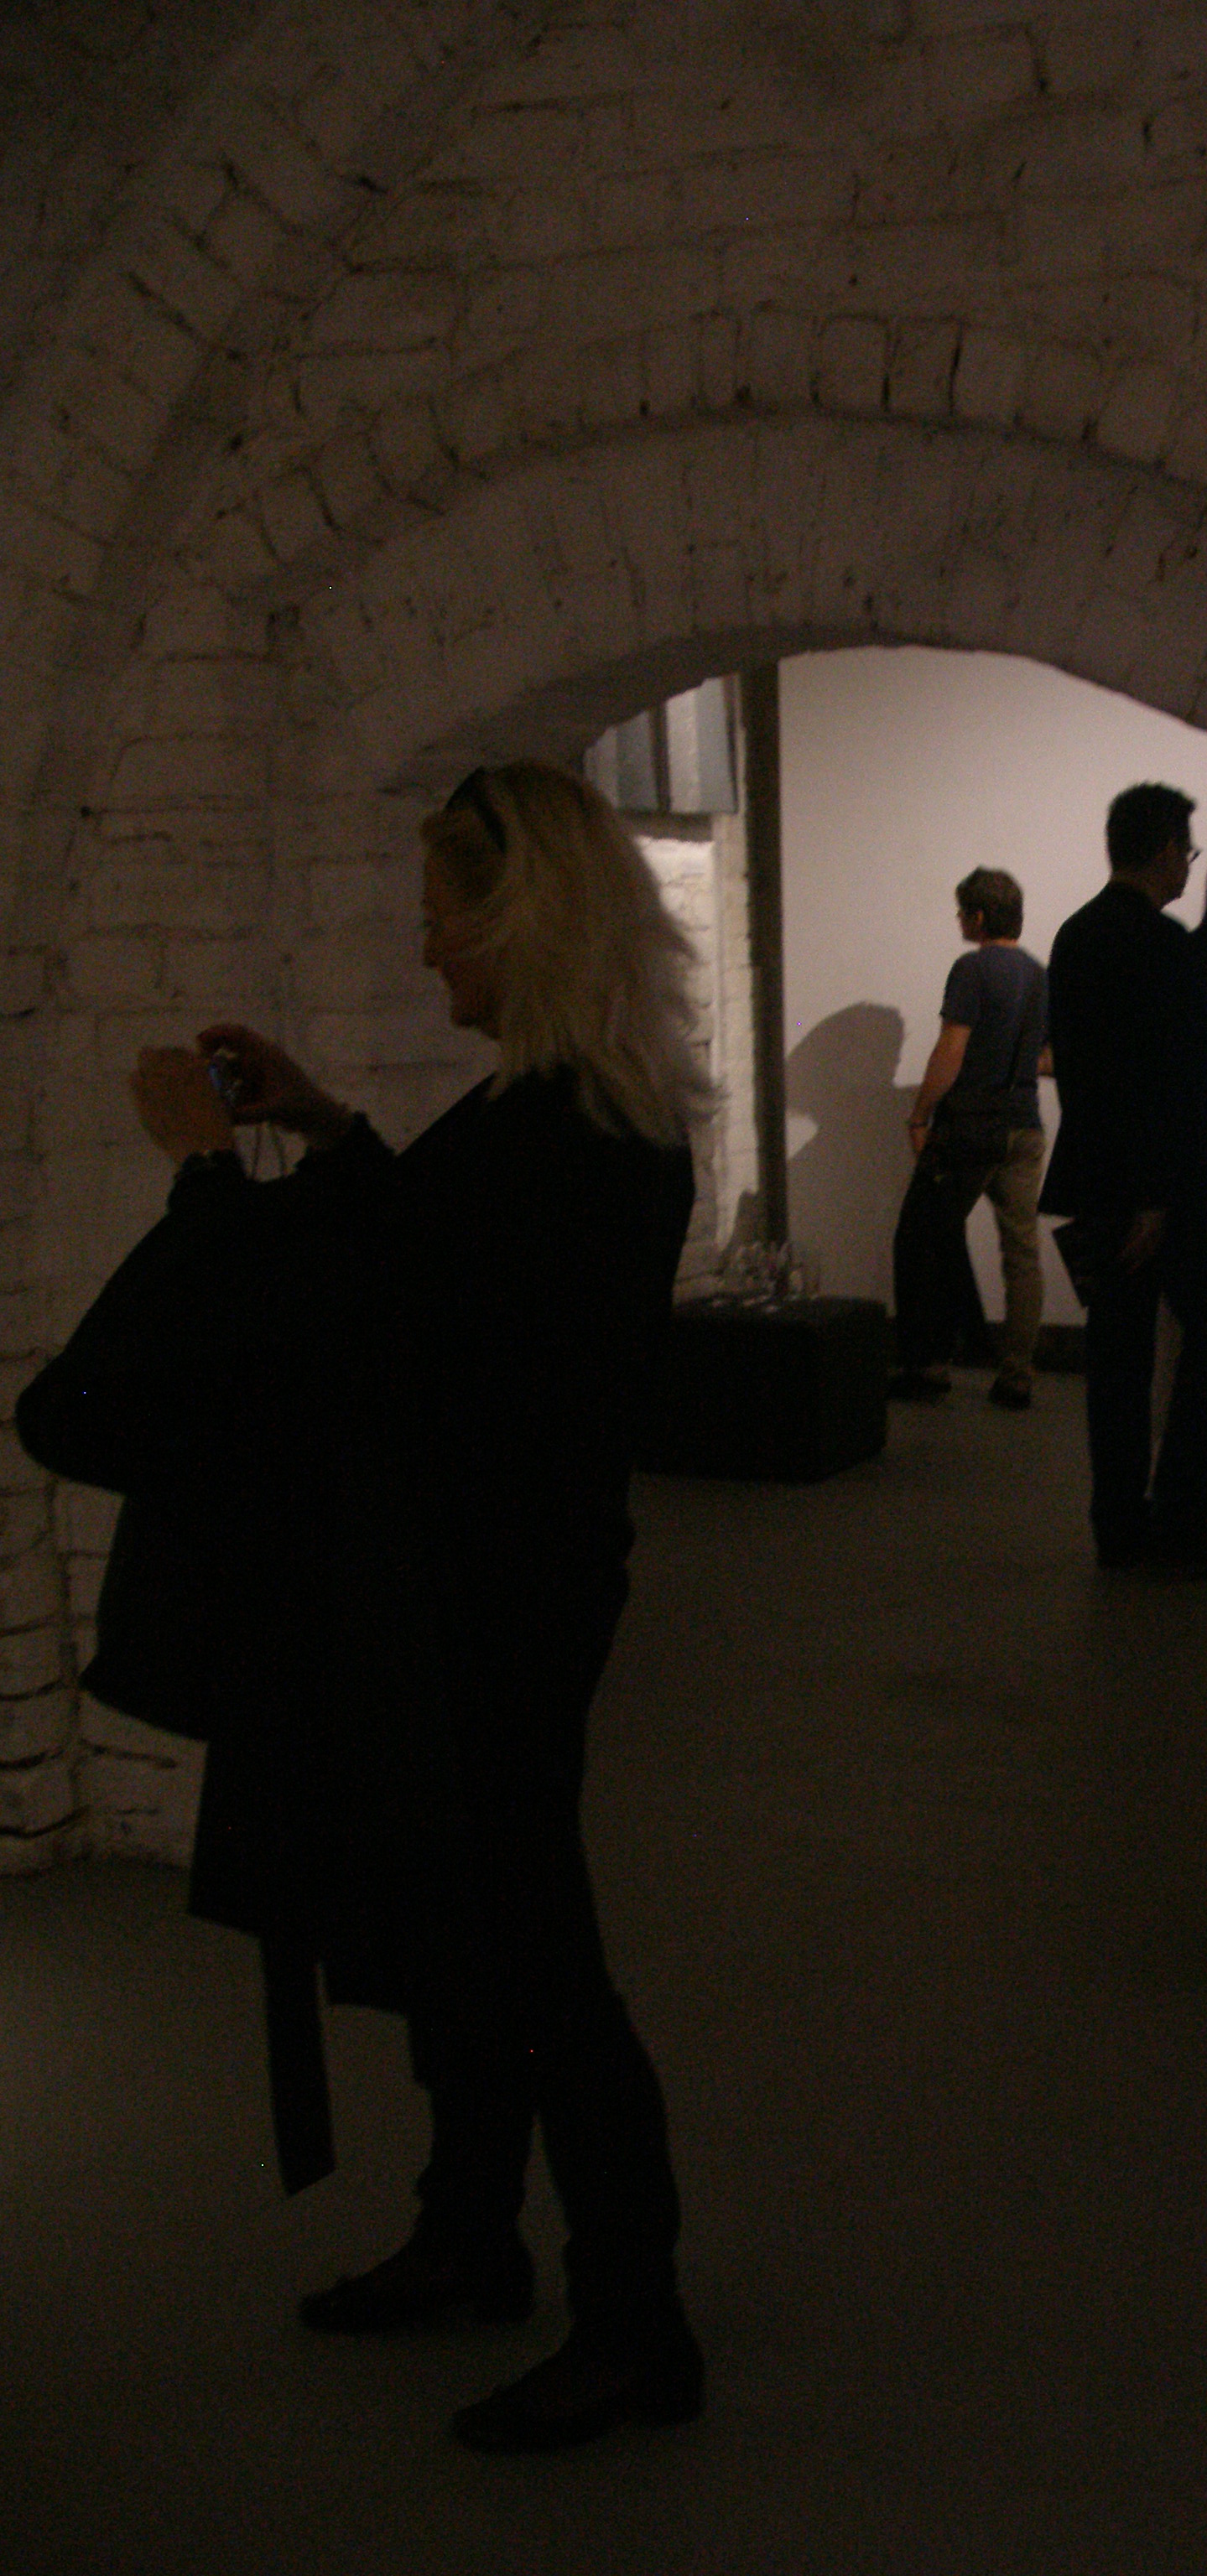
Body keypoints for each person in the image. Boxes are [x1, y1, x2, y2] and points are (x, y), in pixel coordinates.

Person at [18, 761, 708, 2454]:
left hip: (495, 1603)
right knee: (456, 1919)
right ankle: (470, 2234)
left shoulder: (569, 1138)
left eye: (440, 918)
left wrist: (209, 1175)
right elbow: (432, 1265)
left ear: (519, 922)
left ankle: (637, 2325)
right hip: (479, 1582)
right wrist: (324, 1126)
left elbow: (392, 1315)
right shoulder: (565, 1116)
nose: (424, 950)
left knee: (532, 1947)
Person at [1040, 782, 1207, 1571]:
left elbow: (1090, 1075)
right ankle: (1174, 1512)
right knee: (1202, 1342)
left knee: (1114, 1360)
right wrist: (1153, 1194)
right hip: (1153, 1188)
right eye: (1187, 850)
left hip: (1096, 1174)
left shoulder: (1076, 933)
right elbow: (1160, 1079)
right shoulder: (1159, 943)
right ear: (1164, 849)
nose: (1189, 865)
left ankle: (1118, 1523)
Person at [890, 865, 1050, 1410]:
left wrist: (919, 1115)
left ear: (979, 917)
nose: (958, 919)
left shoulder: (972, 969)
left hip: (971, 1129)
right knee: (1022, 1253)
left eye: (962, 911)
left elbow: (951, 1051)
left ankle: (929, 1366)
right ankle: (1017, 1376)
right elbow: (1048, 1058)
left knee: (920, 1238)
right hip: (1024, 1127)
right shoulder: (1039, 975)